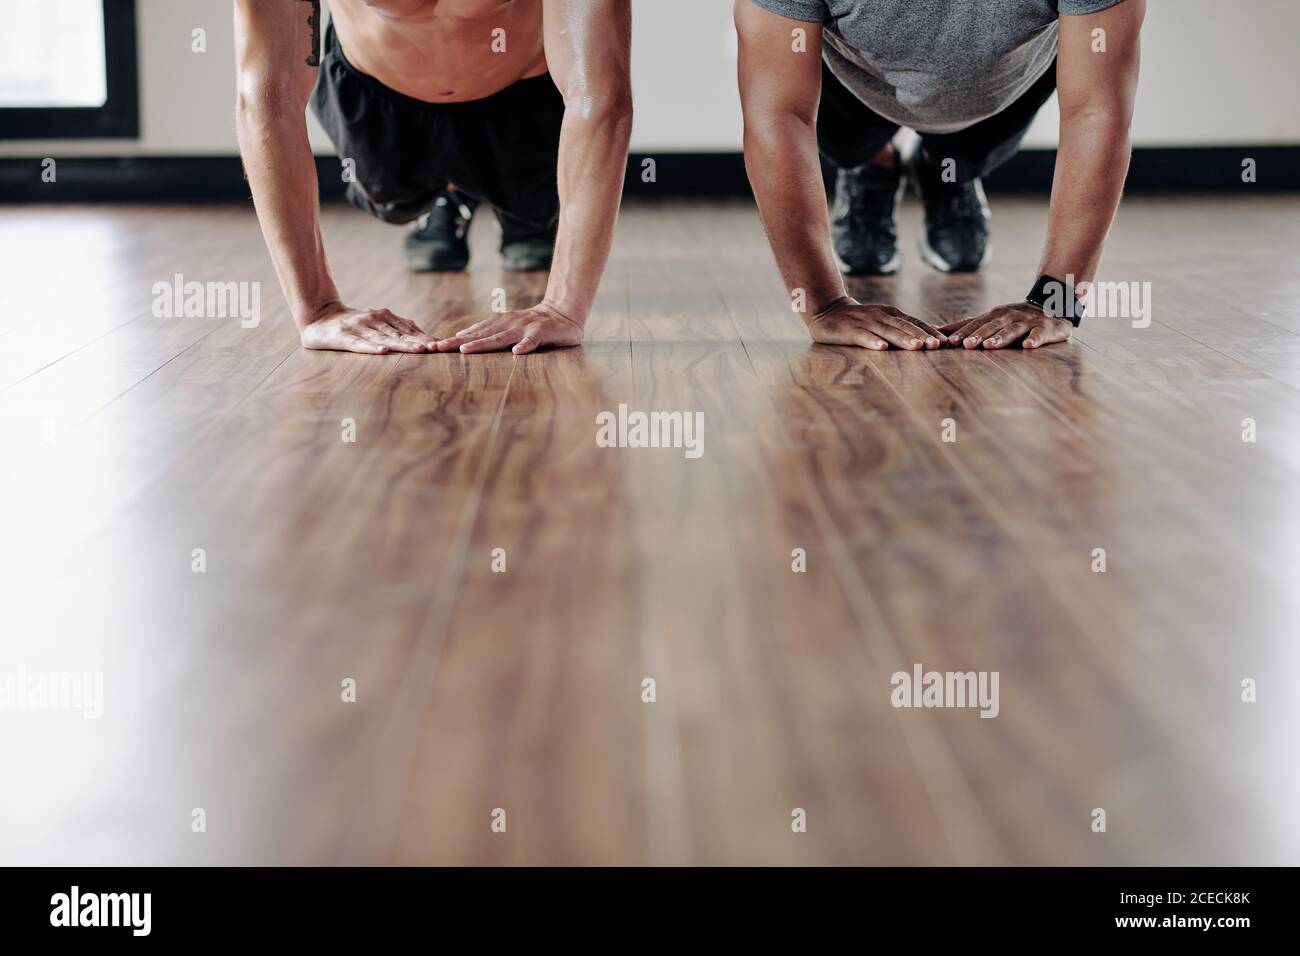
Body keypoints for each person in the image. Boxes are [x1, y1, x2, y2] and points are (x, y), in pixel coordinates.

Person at [734, 0, 1145, 351]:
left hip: (1000, 87)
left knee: (959, 171)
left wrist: (1057, 303)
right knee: (849, 147)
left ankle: (945, 172)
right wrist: (823, 305)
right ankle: (875, 167)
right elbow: (779, 115)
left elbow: (1096, 113)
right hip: (850, 86)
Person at [234, 0, 632, 354]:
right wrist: (317, 310)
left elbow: (598, 94)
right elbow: (269, 97)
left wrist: (563, 307)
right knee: (391, 198)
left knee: (535, 209)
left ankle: (518, 217)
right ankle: (450, 199)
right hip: (377, 88)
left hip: (519, 94)